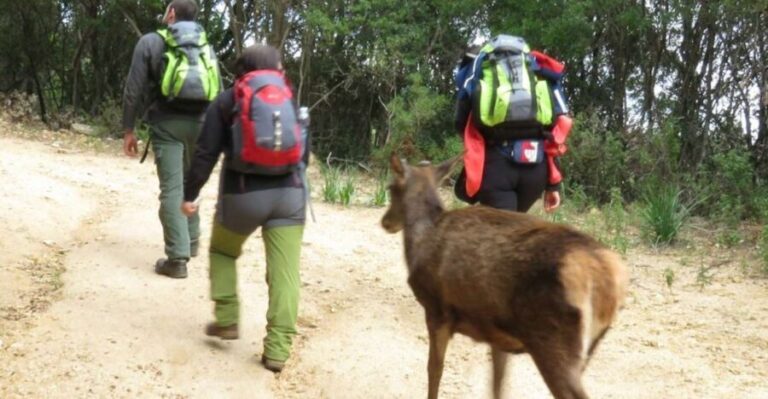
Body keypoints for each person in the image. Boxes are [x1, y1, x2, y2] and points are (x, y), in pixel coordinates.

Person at [181, 44, 309, 373]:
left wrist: (190, 193)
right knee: (285, 275)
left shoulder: (227, 100)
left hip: (242, 196)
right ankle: (278, 350)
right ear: (275, 69)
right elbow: (304, 154)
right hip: (290, 196)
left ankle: (226, 318)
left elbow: (205, 154)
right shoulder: (288, 97)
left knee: (223, 252)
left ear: (240, 70)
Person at [122, 0, 220, 278]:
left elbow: (133, 89)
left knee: (172, 188)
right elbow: (219, 90)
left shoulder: (151, 42)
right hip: (203, 125)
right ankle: (191, 241)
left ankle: (177, 259)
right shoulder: (205, 46)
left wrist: (128, 129)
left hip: (167, 125)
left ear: (172, 13)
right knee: (193, 180)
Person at [453, 42, 563, 213]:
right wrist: (553, 184)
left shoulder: (479, 69)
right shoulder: (535, 69)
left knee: (502, 234)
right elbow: (556, 129)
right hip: (536, 170)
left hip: (498, 168)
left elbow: (460, 123)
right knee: (513, 231)